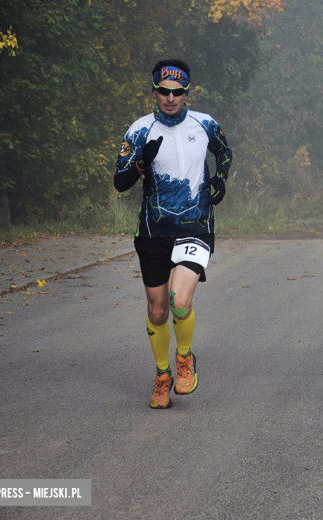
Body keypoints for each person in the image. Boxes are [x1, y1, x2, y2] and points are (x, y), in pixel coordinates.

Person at [114, 59, 232, 409]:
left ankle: (184, 360)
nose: (170, 98)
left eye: (177, 92)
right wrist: (140, 164)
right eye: (163, 91)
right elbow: (120, 183)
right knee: (158, 311)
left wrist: (221, 179)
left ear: (186, 93)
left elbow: (224, 152)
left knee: (180, 301)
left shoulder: (205, 123)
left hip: (195, 226)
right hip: (152, 230)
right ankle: (162, 374)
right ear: (154, 91)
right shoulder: (139, 130)